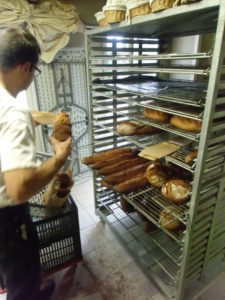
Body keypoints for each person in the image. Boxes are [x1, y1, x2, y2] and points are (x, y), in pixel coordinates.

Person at [0, 26, 71, 300]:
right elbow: (20, 188)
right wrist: (59, 158)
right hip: (8, 219)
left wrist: (52, 119)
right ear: (26, 67)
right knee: (22, 285)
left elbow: (22, 114)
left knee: (10, 270)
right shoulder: (14, 114)